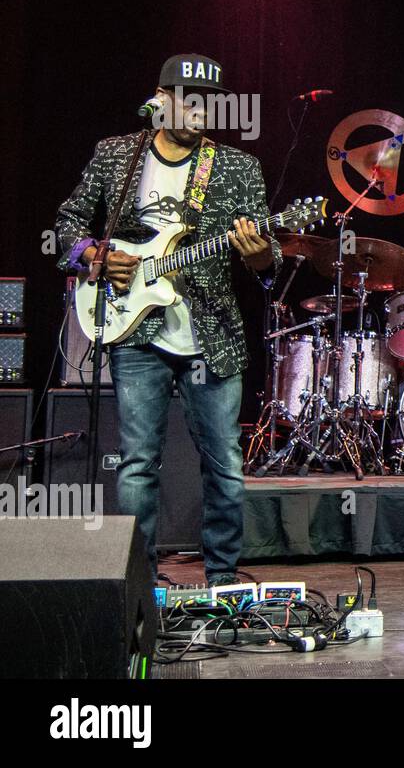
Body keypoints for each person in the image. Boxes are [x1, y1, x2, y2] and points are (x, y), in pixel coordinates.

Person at [56, 53, 280, 585]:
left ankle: (223, 581)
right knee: (137, 461)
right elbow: (67, 224)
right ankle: (141, 583)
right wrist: (94, 256)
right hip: (136, 328)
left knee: (225, 463)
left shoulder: (235, 167)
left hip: (212, 333)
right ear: (160, 100)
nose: (202, 111)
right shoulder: (116, 155)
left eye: (211, 102)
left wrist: (257, 254)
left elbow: (265, 263)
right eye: (190, 100)